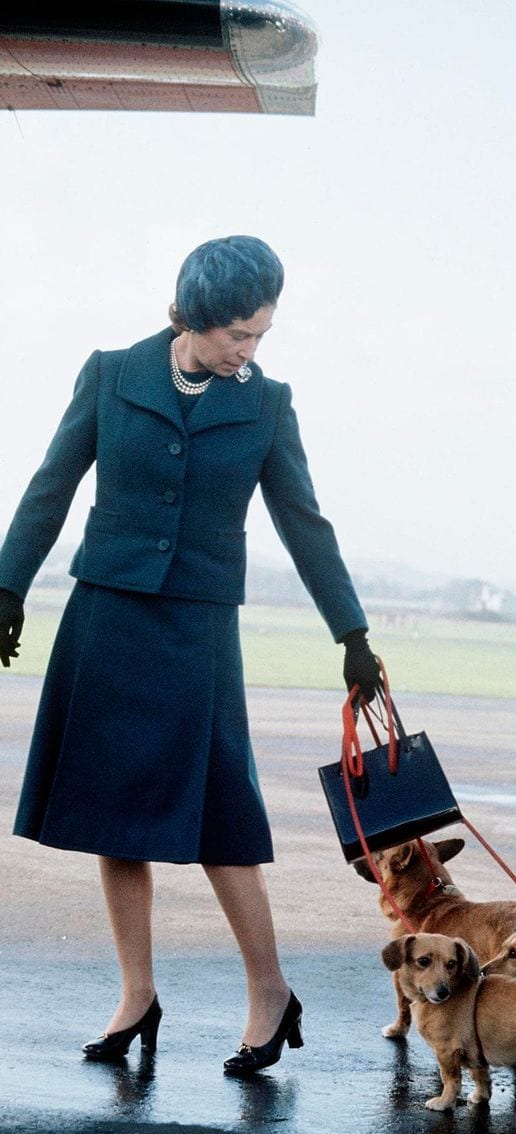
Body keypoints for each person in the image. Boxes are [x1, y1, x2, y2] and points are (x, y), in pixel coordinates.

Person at [0, 235, 381, 1074]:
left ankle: (271, 993)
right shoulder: (110, 374)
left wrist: (350, 633)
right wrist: (7, 586)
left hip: (199, 630)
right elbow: (49, 486)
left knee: (221, 819)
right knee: (113, 815)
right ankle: (137, 995)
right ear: (193, 316)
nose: (248, 350)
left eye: (260, 336)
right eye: (237, 335)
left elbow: (303, 521)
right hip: (108, 615)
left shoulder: (268, 404)